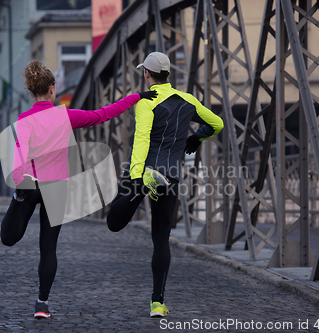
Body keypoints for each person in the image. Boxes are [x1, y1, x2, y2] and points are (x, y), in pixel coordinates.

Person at [0, 60, 157, 318]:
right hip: (57, 188)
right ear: (53, 89)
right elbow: (103, 113)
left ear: (31, 91)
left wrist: (20, 182)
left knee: (9, 237)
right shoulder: (66, 115)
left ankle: (18, 198)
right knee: (48, 247)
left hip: (30, 184)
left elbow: (19, 155)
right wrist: (136, 96)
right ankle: (43, 304)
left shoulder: (24, 120)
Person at [106, 52, 223, 317]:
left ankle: (140, 191)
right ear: (168, 74)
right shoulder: (188, 100)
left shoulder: (147, 102)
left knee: (114, 222)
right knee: (161, 238)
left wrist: (136, 176)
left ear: (147, 74)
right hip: (171, 174)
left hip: (145, 169)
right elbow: (217, 123)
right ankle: (157, 303)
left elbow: (142, 139)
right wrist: (198, 137)